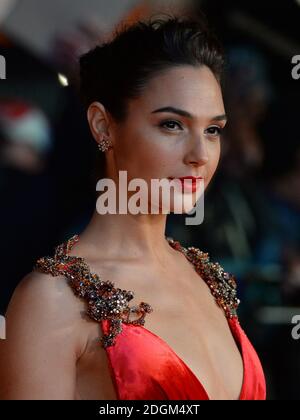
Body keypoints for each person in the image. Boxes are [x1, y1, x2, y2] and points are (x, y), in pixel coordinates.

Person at [0, 15, 266, 400]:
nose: (200, 155)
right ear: (103, 126)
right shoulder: (51, 302)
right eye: (172, 125)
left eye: (213, 130)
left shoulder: (209, 278)